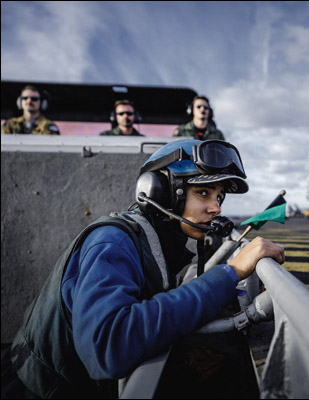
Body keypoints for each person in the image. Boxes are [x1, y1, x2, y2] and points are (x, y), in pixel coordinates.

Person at [1, 139, 284, 398]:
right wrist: (230, 272)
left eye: (219, 196)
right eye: (203, 192)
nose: (216, 208)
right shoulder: (113, 242)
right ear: (159, 191)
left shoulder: (154, 240)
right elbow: (107, 347)